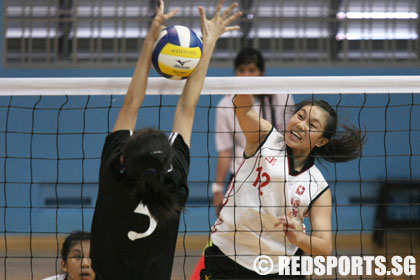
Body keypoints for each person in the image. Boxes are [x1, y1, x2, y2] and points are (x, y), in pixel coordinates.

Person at [89, 1, 241, 279]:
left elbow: (131, 104)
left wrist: (151, 40)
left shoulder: (117, 175)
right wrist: (208, 44)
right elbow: (186, 107)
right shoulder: (172, 186)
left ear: (124, 158)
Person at [201, 96, 365, 279]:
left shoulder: (318, 188)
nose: (301, 125)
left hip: (281, 268)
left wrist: (299, 238)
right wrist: (247, 86)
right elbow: (243, 108)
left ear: (321, 141)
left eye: (312, 125)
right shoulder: (264, 138)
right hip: (228, 257)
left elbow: (324, 248)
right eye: (300, 116)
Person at [212, 48, 294, 215]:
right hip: (241, 176)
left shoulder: (280, 96)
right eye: (241, 70)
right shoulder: (225, 105)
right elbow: (225, 150)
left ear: (261, 73)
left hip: (275, 174)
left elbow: (290, 139)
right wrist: (217, 188)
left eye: (251, 70)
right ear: (235, 72)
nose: (246, 76)